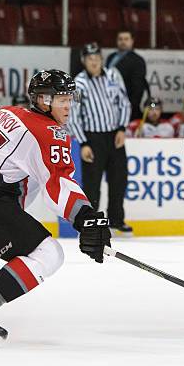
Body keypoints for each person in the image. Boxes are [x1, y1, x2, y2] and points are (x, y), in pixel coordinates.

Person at [0, 69, 111, 347]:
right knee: (49, 253)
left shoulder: (4, 113)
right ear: (43, 100)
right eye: (62, 99)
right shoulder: (49, 132)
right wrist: (85, 216)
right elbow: (57, 184)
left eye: (70, 98)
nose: (68, 105)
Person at [69, 42, 133, 236]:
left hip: (115, 136)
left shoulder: (113, 76)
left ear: (102, 59)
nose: (94, 62)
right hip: (92, 139)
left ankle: (116, 220)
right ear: (84, 61)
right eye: (90, 59)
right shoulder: (78, 84)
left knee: (119, 180)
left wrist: (122, 128)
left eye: (97, 58)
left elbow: (124, 103)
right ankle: (92, 223)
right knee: (92, 184)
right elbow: (73, 114)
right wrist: (83, 143)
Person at [106, 30, 149, 120]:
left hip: (126, 106)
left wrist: (130, 107)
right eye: (120, 39)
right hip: (109, 104)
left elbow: (138, 88)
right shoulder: (110, 57)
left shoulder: (137, 60)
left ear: (132, 41)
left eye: (126, 39)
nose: (123, 42)